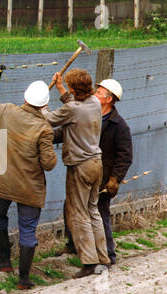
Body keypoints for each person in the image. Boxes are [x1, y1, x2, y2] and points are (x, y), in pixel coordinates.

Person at [0, 72, 57, 289]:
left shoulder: (8, 112)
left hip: (2, 180)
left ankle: (4, 262)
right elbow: (49, 164)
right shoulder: (44, 129)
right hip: (29, 187)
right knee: (27, 229)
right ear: (45, 105)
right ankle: (23, 279)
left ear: (25, 98)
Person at [55, 79, 133, 266]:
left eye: (99, 92)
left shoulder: (119, 126)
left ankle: (108, 254)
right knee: (71, 207)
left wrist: (115, 179)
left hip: (102, 178)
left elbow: (125, 156)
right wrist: (61, 88)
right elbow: (73, 110)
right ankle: (74, 245)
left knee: (99, 213)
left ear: (109, 99)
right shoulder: (91, 112)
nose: (94, 94)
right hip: (85, 170)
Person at [42, 69, 111, 278]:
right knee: (93, 211)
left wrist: (41, 103)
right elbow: (72, 104)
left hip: (79, 166)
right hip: (96, 163)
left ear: (74, 89)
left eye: (69, 88)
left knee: (78, 214)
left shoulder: (72, 108)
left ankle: (89, 263)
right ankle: (103, 258)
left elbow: (49, 118)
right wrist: (62, 87)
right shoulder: (95, 103)